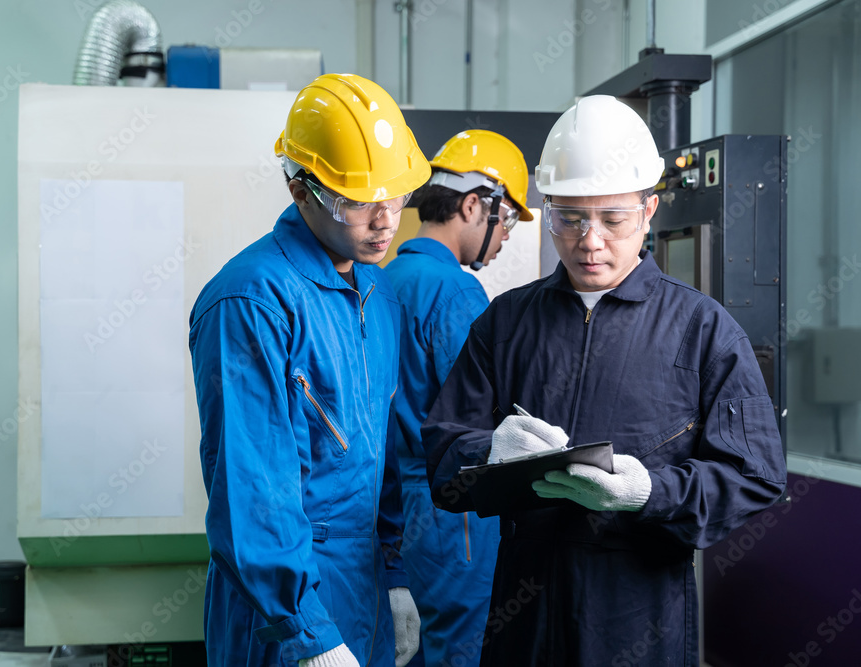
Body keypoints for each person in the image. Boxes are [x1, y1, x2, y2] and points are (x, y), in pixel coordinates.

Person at [422, 95, 787, 665]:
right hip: (525, 617)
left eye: (612, 219)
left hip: (638, 618)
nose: (589, 240)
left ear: (649, 211)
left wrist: (650, 492)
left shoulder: (702, 329)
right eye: (569, 218)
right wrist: (488, 451)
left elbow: (755, 476)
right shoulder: (506, 322)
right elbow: (441, 454)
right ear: (547, 211)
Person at [189, 74, 429, 666]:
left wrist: (394, 573)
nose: (384, 220)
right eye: (357, 200)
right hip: (278, 613)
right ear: (300, 189)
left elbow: (387, 454)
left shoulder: (376, 292)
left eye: (395, 195)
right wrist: (307, 636)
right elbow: (252, 492)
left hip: (362, 583)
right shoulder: (250, 302)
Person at [383, 129, 532, 666]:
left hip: (394, 510)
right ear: (473, 205)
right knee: (462, 652)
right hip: (454, 513)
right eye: (508, 219)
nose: (507, 237)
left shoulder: (386, 278)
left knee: (419, 649)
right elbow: (485, 411)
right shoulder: (454, 290)